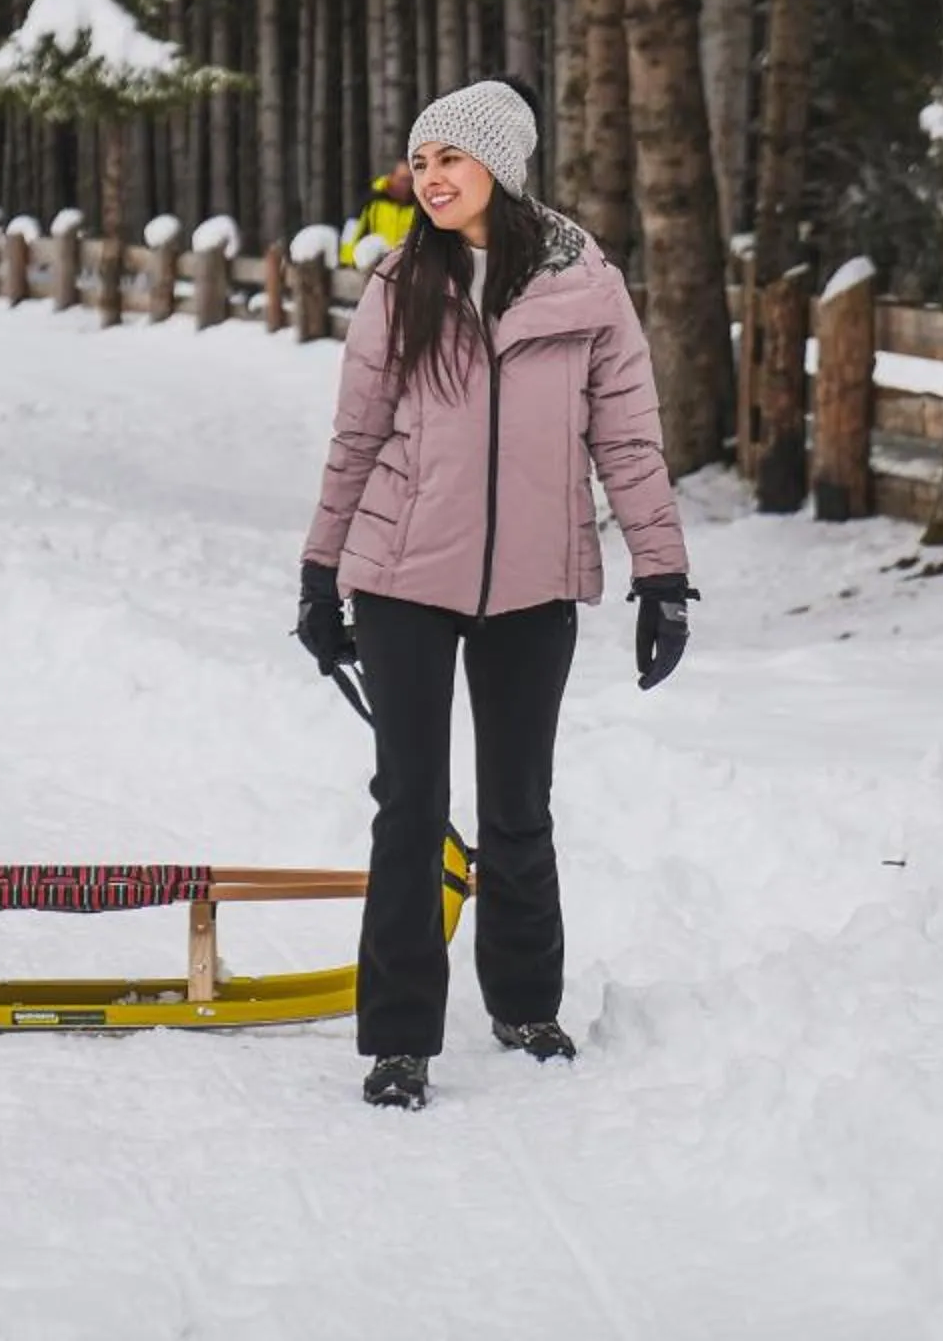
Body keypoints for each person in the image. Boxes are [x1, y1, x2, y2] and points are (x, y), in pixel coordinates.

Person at [294, 77, 696, 1111]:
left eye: (449, 159)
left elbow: (629, 439)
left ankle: (525, 1003)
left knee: (520, 806)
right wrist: (319, 572)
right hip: (401, 578)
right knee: (410, 806)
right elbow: (356, 437)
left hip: (534, 580)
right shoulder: (398, 283)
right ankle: (398, 1037)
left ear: (500, 168)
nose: (429, 178)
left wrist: (663, 575)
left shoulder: (585, 287)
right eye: (420, 160)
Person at [345, 164, 419, 264]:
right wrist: (347, 259)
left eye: (409, 180)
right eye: (402, 179)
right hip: (375, 256)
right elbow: (353, 228)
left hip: (405, 259)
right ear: (391, 177)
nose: (405, 184)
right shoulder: (373, 198)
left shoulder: (417, 203)